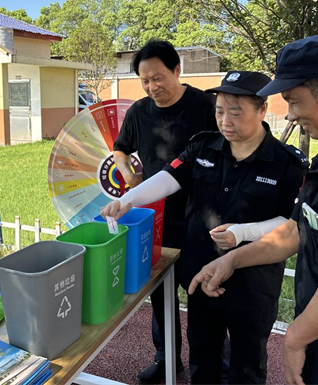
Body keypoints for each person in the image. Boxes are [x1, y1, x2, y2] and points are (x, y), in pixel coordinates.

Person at [190, 32, 318, 385]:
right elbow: (298, 228)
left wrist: (294, 339)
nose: (289, 115)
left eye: (294, 101)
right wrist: (232, 260)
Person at [104, 71, 308, 385]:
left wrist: (244, 233)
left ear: (262, 110)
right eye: (219, 111)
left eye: (235, 113)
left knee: (247, 366)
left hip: (252, 285)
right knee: (202, 359)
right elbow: (169, 178)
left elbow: (290, 222)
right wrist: (127, 200)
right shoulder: (203, 147)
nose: (225, 121)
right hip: (200, 275)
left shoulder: (287, 163)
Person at [112, 39, 217, 383]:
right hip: (157, 217)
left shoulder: (206, 106)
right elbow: (120, 150)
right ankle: (167, 358)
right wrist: (131, 177)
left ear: (177, 70)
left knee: (203, 292)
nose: (152, 87)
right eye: (145, 81)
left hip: (202, 216)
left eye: (158, 78)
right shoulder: (139, 112)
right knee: (160, 292)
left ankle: (212, 362)